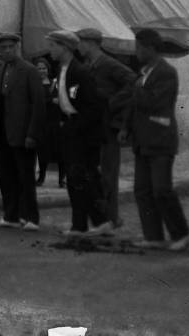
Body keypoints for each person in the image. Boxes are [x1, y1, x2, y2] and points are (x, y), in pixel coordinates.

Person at [125, 28, 189, 251]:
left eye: (139, 48)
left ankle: (181, 233)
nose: (136, 53)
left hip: (161, 140)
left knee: (162, 189)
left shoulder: (166, 72)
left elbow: (155, 103)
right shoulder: (144, 72)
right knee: (142, 190)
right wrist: (126, 128)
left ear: (151, 49)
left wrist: (136, 87)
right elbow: (134, 106)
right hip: (142, 139)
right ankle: (153, 236)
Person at [46, 30, 112, 238]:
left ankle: (92, 223)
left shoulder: (81, 72)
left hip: (83, 133)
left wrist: (75, 126)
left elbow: (95, 106)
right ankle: (87, 224)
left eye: (53, 46)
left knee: (84, 178)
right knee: (76, 180)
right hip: (69, 130)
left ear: (65, 47)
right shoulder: (60, 70)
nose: (50, 50)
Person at [0, 32, 45, 231]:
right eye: (3, 48)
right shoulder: (2, 69)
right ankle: (10, 215)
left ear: (18, 48)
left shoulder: (29, 70)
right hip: (3, 134)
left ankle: (31, 218)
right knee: (6, 177)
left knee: (26, 178)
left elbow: (38, 104)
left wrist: (32, 133)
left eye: (11, 47)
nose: (8, 50)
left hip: (22, 134)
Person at [76, 27, 136, 230]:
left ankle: (112, 219)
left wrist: (112, 102)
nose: (78, 46)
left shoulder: (108, 64)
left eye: (81, 42)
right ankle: (104, 219)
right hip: (95, 126)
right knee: (96, 173)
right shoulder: (88, 64)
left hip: (108, 127)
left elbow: (133, 81)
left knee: (108, 174)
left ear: (92, 43)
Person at [33, 57, 64, 188]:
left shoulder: (55, 83)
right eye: (39, 68)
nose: (42, 71)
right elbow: (35, 103)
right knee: (42, 152)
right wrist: (51, 101)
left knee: (61, 152)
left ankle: (61, 179)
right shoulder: (33, 84)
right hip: (42, 122)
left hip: (56, 121)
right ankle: (41, 177)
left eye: (44, 68)